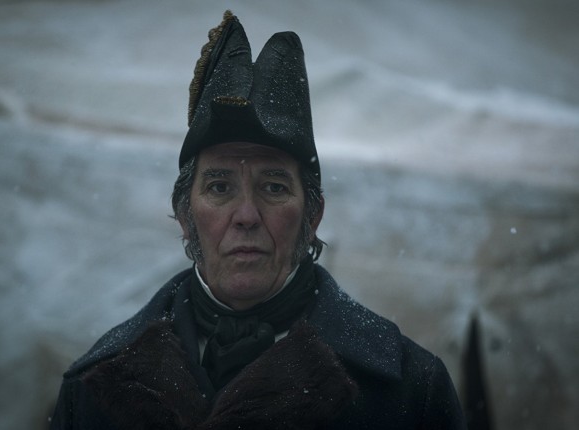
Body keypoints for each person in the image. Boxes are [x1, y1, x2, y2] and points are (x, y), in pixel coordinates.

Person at [50, 11, 466, 429]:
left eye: (273, 187)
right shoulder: (93, 388)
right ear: (185, 216)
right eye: (219, 187)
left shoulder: (410, 392)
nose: (246, 216)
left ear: (312, 216)